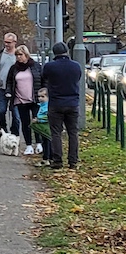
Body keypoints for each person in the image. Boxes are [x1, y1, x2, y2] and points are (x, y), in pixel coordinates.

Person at [39, 42, 84, 170]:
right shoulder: (76, 66)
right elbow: (78, 79)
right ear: (67, 52)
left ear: (54, 53)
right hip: (72, 103)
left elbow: (44, 77)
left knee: (56, 133)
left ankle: (57, 160)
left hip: (56, 104)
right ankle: (73, 161)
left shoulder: (50, 67)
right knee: (73, 133)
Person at [4, 45, 42, 154]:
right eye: (17, 55)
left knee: (37, 121)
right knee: (25, 123)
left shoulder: (35, 66)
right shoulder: (14, 68)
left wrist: (43, 94)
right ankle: (29, 145)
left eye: (20, 54)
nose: (18, 57)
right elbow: (10, 82)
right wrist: (8, 92)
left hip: (35, 99)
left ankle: (39, 143)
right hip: (20, 99)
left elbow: (42, 79)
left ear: (26, 55)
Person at [0, 32, 19, 134]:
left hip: (16, 89)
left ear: (14, 42)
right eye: (5, 42)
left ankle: (14, 133)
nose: (6, 44)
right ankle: (3, 130)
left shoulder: (18, 54)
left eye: (9, 42)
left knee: (16, 114)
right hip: (1, 88)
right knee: (1, 111)